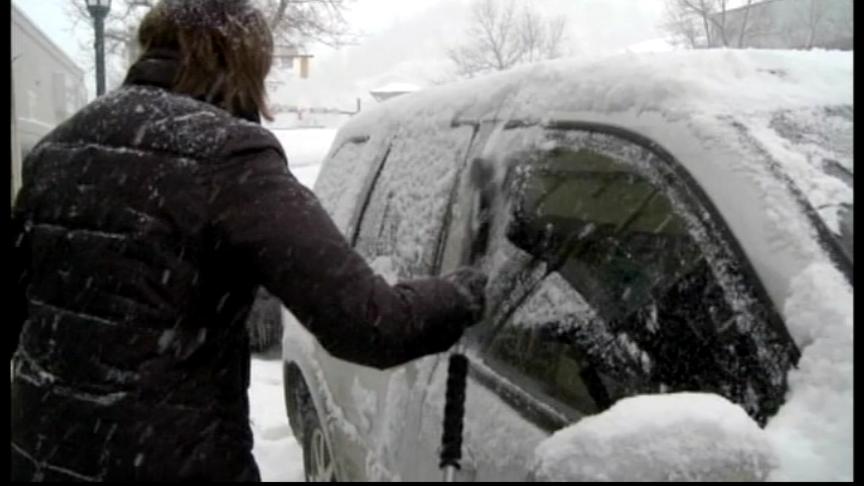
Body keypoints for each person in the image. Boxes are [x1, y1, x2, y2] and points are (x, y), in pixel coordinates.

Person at [9, 0, 487, 481]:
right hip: (170, 465)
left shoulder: (60, 146)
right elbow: (368, 322)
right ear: (242, 60)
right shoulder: (228, 155)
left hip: (40, 455)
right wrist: (461, 294)